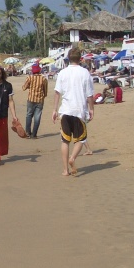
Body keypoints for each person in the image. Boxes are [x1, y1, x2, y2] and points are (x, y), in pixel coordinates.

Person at [51, 47, 95, 176]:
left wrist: (54, 110)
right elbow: (89, 95)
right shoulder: (85, 73)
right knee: (80, 139)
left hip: (65, 111)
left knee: (65, 141)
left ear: (68, 59)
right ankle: (72, 158)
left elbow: (57, 93)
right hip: (79, 111)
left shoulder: (62, 73)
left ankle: (65, 170)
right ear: (80, 59)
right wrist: (91, 109)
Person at [21, 63, 48, 139]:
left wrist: (29, 86)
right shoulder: (43, 79)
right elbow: (45, 92)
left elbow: (23, 88)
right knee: (37, 117)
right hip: (40, 100)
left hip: (31, 99)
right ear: (39, 70)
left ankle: (27, 132)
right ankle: (34, 134)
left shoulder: (29, 78)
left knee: (29, 115)